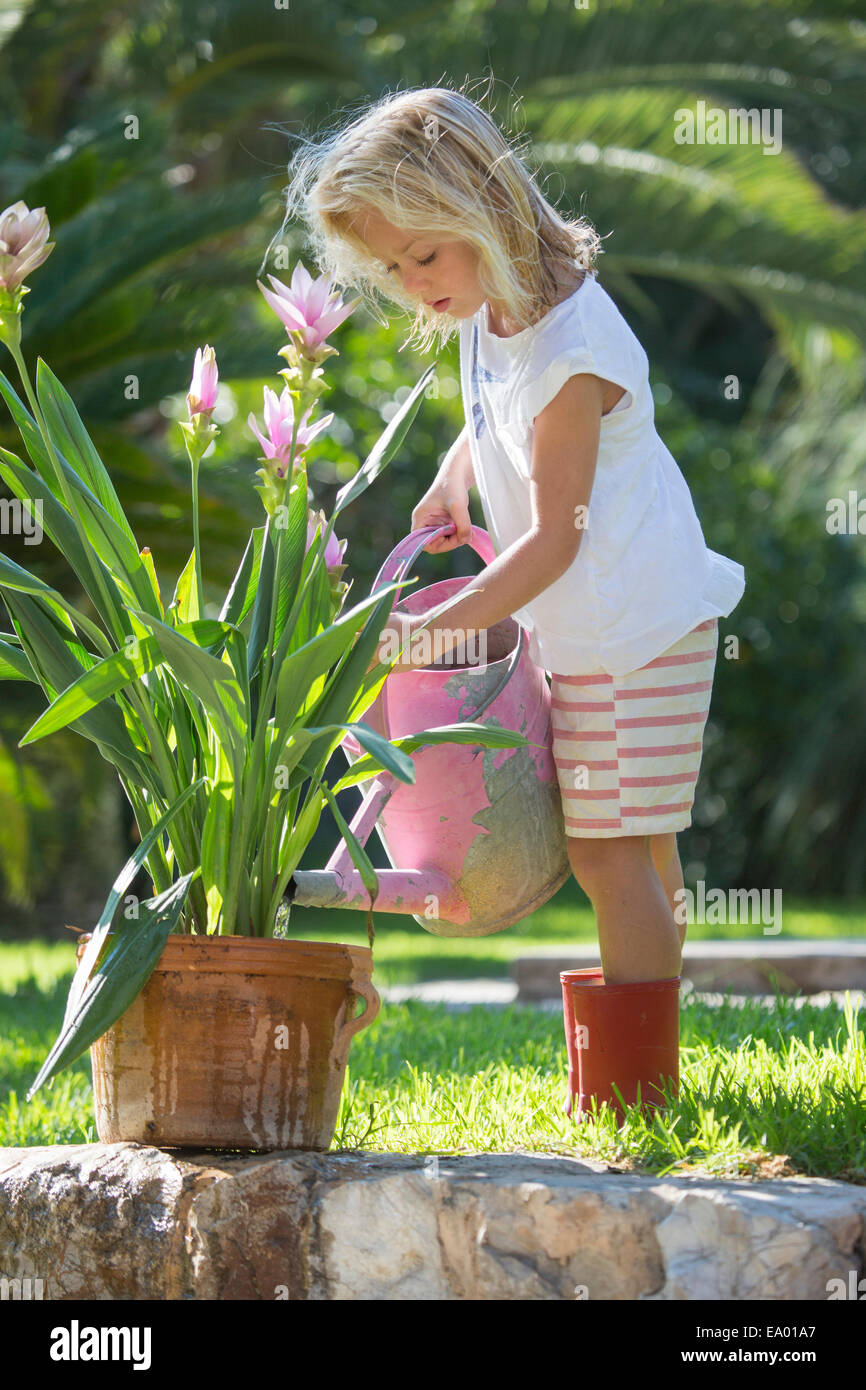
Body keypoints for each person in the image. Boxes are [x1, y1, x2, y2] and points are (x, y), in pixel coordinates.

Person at [282, 82, 746, 1116]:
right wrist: (456, 469)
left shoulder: (574, 345)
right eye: (393, 267)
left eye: (422, 255)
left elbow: (548, 542)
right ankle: (647, 1059)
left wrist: (415, 639)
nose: (412, 284)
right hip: (599, 630)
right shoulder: (490, 308)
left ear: (480, 207)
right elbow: (499, 412)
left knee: (608, 851)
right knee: (634, 846)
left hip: (637, 628)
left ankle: (632, 1091)